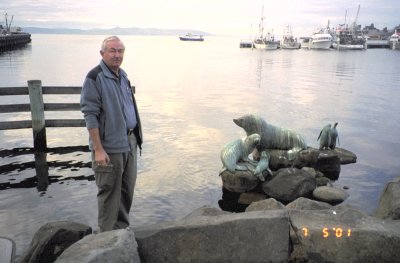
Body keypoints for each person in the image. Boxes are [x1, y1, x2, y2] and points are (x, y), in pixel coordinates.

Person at [80, 36, 143, 232]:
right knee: (109, 194)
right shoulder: (94, 77)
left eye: (120, 51)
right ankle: (107, 238)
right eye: (112, 51)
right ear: (102, 53)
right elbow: (90, 115)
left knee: (126, 191)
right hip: (109, 147)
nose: (117, 55)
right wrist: (98, 149)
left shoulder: (123, 75)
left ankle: (122, 232)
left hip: (130, 142)